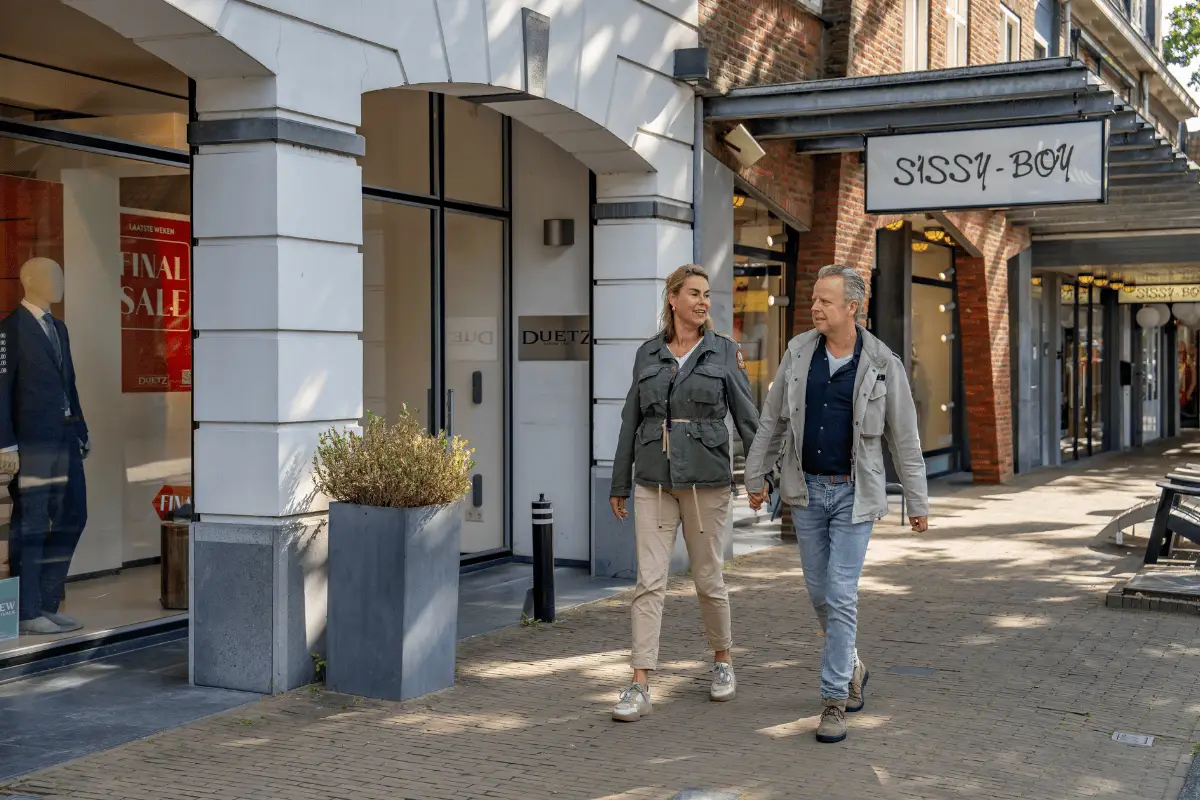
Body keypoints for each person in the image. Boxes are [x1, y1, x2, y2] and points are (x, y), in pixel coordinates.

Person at [743, 263, 929, 744]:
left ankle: (834, 699)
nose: (815, 307)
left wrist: (917, 500)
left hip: (854, 493)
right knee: (819, 593)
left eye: (825, 301)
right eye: (814, 299)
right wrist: (755, 476)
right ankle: (852, 665)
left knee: (842, 593)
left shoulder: (883, 363)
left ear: (852, 307)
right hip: (804, 491)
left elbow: (904, 438)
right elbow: (772, 421)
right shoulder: (798, 352)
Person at [609, 263, 759, 723]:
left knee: (708, 579)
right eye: (693, 293)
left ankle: (723, 660)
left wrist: (759, 478)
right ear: (672, 298)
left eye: (706, 294)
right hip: (653, 481)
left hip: (705, 483)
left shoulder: (724, 352)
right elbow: (630, 420)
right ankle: (639, 682)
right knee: (648, 583)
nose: (702, 302)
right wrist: (619, 482)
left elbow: (748, 418)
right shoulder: (648, 354)